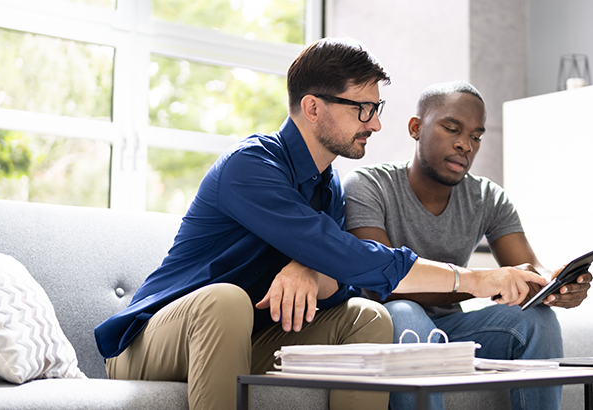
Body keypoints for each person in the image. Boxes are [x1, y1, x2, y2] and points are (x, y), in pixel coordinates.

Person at [94, 40, 548, 410]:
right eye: (362, 109)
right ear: (313, 108)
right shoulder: (249, 166)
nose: (375, 123)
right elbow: (347, 255)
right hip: (155, 341)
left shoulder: (329, 186)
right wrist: (475, 278)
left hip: (250, 336)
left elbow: (344, 279)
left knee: (368, 318)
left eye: (377, 107)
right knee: (225, 300)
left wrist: (310, 269)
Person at [342, 81, 593, 410]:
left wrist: (555, 286)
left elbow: (526, 272)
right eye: (452, 129)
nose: (465, 145)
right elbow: (382, 284)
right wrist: (483, 283)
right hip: (384, 325)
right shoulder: (368, 186)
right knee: (406, 313)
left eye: (476, 136)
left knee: (538, 320)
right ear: (416, 128)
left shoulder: (488, 197)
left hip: (452, 328)